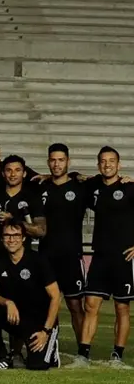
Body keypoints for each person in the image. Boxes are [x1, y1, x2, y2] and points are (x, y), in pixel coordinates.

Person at [68, 146, 134, 369]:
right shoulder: (93, 186)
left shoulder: (129, 187)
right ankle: (83, 355)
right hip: (100, 256)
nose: (107, 165)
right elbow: (71, 178)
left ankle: (117, 356)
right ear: (98, 165)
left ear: (119, 164)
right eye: (103, 161)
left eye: (111, 161)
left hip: (123, 257)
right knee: (91, 304)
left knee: (122, 308)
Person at [0, 221, 61, 370]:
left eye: (16, 235)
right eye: (7, 236)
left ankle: (51, 345)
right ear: (2, 239)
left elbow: (56, 297)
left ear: (24, 238)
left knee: (37, 365)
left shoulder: (38, 260)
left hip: (40, 321)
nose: (11, 240)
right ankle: (1, 353)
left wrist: (46, 331)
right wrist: (8, 303)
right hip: (17, 316)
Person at [35, 144, 88, 339]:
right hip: (46, 257)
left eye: (61, 160)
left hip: (71, 257)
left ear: (68, 161)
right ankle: (50, 347)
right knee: (48, 304)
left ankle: (84, 350)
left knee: (75, 306)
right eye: (53, 160)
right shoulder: (40, 187)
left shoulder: (81, 188)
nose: (56, 164)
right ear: (48, 162)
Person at [0, 155, 46, 280]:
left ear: (24, 173)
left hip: (24, 260)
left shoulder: (32, 197)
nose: (13, 174)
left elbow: (41, 231)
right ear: (3, 173)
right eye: (9, 170)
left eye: (17, 170)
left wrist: (13, 220)